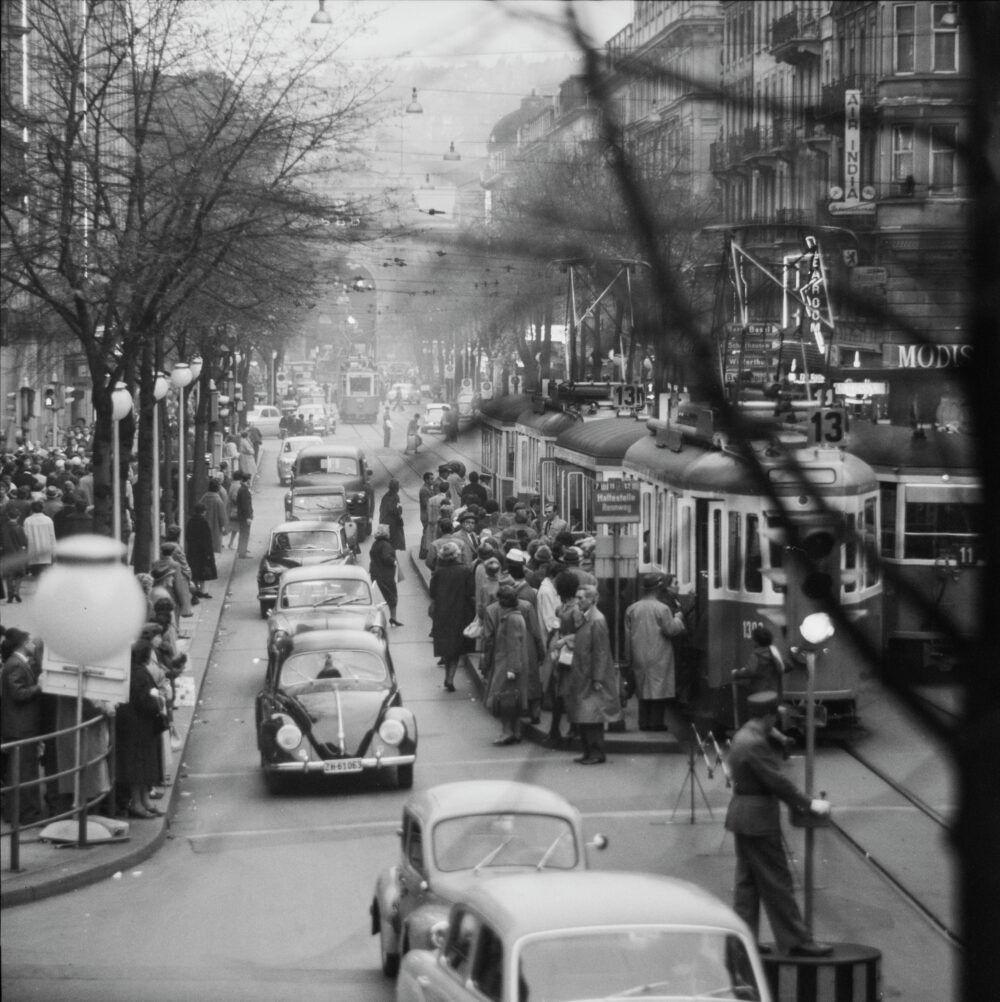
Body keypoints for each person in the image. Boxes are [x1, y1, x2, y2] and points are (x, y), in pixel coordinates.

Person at [725, 691, 833, 957]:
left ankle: (743, 942)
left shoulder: (742, 736)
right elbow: (776, 781)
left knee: (748, 883)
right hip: (758, 819)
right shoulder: (755, 743)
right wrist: (808, 803)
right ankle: (796, 940)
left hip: (741, 816)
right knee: (777, 881)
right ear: (769, 716)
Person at [559, 583, 620, 765]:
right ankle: (588, 751)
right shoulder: (587, 617)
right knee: (585, 715)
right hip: (583, 674)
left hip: (591, 676)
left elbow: (601, 651)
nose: (578, 601)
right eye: (577, 597)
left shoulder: (597, 620)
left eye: (581, 598)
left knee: (592, 715)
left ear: (593, 600)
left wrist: (598, 678)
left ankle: (596, 752)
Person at [623, 572, 689, 735]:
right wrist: (679, 618)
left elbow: (627, 636)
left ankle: (643, 722)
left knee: (642, 688)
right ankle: (656, 723)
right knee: (659, 688)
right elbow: (670, 630)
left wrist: (628, 657)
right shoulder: (663, 609)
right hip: (659, 654)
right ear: (658, 589)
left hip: (639, 654)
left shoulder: (632, 609)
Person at [482, 582, 546, 746]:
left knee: (503, 699)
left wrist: (511, 669)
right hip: (516, 663)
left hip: (507, 664)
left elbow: (513, 645)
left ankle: (507, 731)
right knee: (514, 699)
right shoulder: (517, 615)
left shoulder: (511, 619)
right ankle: (516, 731)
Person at [115, 632, 168, 819]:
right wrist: (159, 702)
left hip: (137, 726)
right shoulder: (138, 674)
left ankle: (145, 801)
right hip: (138, 727)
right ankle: (138, 803)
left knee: (142, 768)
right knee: (139, 769)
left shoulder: (133, 671)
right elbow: (144, 701)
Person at [1, 628, 44, 823]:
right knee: (24, 772)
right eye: (30, 641)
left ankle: (16, 813)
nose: (33, 645)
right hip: (21, 727)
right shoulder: (16, 665)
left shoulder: (14, 663)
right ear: (23, 644)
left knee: (18, 772)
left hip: (19, 726)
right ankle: (27, 814)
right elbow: (18, 693)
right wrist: (38, 687)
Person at [428, 541, 475, 693]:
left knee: (447, 646)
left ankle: (448, 676)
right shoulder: (466, 571)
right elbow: (470, 592)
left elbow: (432, 593)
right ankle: (450, 677)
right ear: (456, 555)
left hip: (442, 612)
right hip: (461, 612)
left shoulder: (438, 573)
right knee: (456, 647)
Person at [370, 524, 403, 627]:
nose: (390, 532)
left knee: (381, 597)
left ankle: (391, 619)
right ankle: (392, 618)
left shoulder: (375, 544)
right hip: (385, 575)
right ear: (386, 533)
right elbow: (386, 557)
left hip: (375, 574)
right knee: (392, 596)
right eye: (388, 530)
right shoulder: (385, 545)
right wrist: (394, 561)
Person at [184, 503, 217, 599]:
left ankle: (196, 590)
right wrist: (209, 553)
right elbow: (207, 539)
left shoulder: (190, 522)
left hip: (193, 551)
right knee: (204, 572)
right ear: (203, 512)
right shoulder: (204, 522)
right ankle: (203, 591)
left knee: (195, 571)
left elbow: (188, 536)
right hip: (203, 552)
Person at [1, 507, 28, 602]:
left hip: (7, 554)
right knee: (20, 574)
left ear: (8, 516)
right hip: (18, 554)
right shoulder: (20, 528)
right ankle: (16, 591)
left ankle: (10, 594)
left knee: (9, 575)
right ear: (18, 517)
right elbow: (24, 542)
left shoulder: (3, 528)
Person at [199, 478, 228, 554]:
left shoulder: (204, 498)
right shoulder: (218, 500)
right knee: (212, 547)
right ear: (217, 488)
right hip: (215, 527)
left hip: (203, 527)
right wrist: (224, 526)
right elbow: (222, 516)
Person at [378, 479, 406, 552]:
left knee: (390, 542)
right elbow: (393, 509)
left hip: (387, 522)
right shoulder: (393, 496)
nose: (398, 488)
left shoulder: (388, 496)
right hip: (391, 523)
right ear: (395, 487)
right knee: (392, 542)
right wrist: (399, 511)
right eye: (397, 486)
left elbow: (382, 509)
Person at [235, 471, 254, 557]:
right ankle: (242, 552)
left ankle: (241, 549)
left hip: (242, 516)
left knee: (243, 533)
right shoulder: (244, 490)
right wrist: (248, 517)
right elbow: (245, 505)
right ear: (248, 480)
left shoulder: (242, 489)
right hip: (244, 517)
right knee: (245, 534)